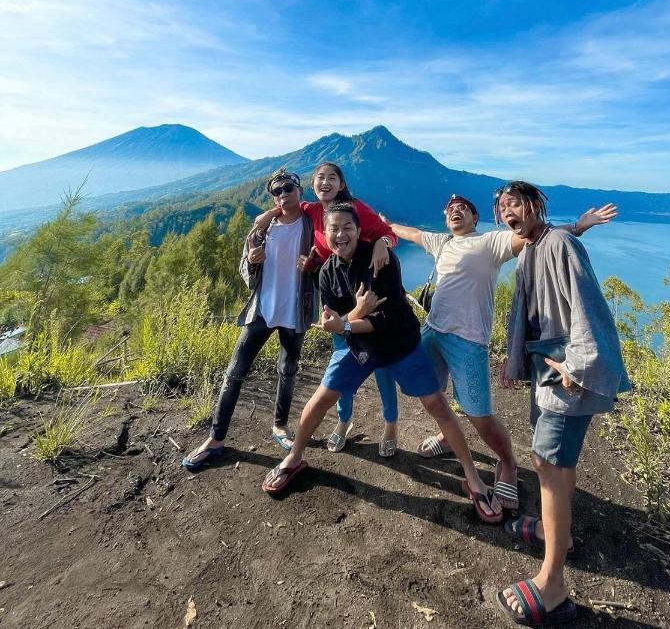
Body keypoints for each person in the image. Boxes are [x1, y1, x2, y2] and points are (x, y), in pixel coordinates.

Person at [260, 202, 503, 523]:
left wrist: (345, 323)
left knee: (437, 405)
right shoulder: (328, 273)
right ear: (325, 234)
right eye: (333, 229)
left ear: (360, 232)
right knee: (319, 401)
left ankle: (473, 479)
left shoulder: (383, 261)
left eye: (347, 227)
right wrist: (349, 319)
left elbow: (382, 318)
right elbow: (333, 318)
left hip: (399, 343)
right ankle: (293, 457)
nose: (340, 234)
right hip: (358, 347)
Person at [384, 195, 615, 512]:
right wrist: (380, 223)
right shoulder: (441, 242)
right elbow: (407, 232)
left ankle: (506, 463)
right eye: (450, 209)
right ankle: (447, 433)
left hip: (468, 341)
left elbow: (539, 235)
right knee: (427, 390)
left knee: (479, 413)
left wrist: (577, 226)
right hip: (434, 332)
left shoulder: (491, 242)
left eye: (463, 208)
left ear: (474, 218)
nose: (455, 210)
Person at [495, 181, 631, 627]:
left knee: (546, 462)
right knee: (558, 459)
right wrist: (517, 362)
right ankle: (562, 535)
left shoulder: (560, 245)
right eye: (502, 208)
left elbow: (589, 306)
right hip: (546, 369)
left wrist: (578, 364)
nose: (507, 212)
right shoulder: (534, 248)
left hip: (567, 373)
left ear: (534, 205)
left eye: (514, 203)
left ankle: (553, 588)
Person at [250, 162, 400, 456]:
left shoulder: (355, 209)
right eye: (320, 178)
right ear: (313, 185)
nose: (326, 182)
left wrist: (383, 243)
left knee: (381, 363)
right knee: (342, 359)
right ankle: (344, 421)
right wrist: (271, 215)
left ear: (341, 184)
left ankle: (390, 424)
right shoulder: (312, 210)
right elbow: (288, 205)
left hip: (368, 292)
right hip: (335, 296)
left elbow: (388, 233)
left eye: (332, 177)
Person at [182, 168, 317, 469]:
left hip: (295, 311)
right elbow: (246, 269)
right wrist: (252, 262)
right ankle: (216, 439)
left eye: (288, 189)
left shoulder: (311, 225)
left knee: (288, 368)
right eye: (277, 191)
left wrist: (314, 265)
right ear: (272, 196)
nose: (283, 195)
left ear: (300, 191)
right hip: (262, 311)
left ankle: (280, 426)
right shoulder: (262, 230)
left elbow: (326, 257)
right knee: (234, 372)